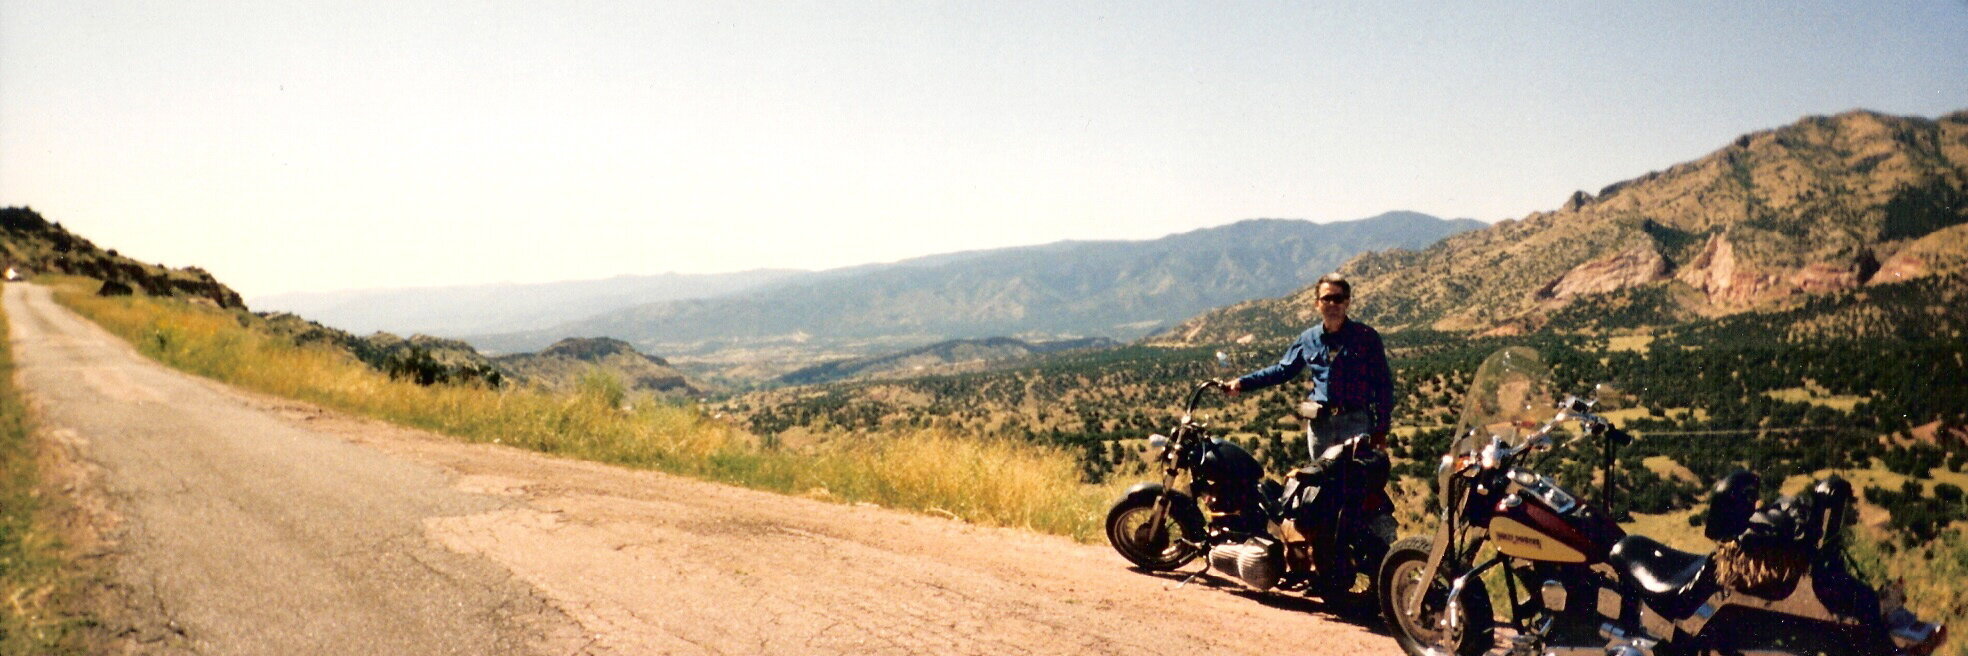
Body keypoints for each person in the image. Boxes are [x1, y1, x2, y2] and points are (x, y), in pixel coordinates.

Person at [1225, 273, 1393, 461]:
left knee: (1358, 484)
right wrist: (1242, 383)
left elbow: (1383, 385)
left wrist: (1381, 430)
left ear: (1347, 302)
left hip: (1355, 423)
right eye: (1326, 299)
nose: (1331, 304)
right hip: (1321, 427)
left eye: (1337, 299)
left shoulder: (1366, 337)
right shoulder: (1308, 339)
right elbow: (1282, 371)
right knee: (1319, 483)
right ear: (1317, 304)